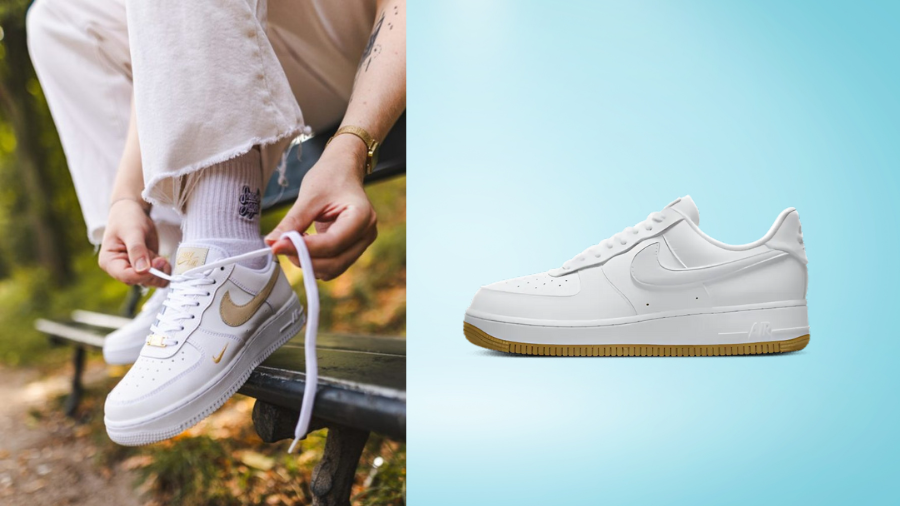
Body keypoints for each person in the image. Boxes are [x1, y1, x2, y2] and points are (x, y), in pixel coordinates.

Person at [27, 0, 405, 447]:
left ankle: (225, 251)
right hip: (266, 48)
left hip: (378, 38)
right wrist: (126, 196)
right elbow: (167, 46)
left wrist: (352, 146)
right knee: (58, 17)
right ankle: (184, 266)